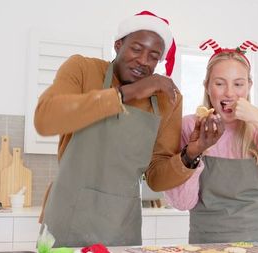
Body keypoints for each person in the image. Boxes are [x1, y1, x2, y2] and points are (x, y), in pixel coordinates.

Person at [34, 11, 197, 247]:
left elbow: (156, 179)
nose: (143, 60)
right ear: (118, 45)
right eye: (136, 48)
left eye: (153, 56)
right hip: (66, 217)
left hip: (121, 227)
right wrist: (128, 93)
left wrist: (192, 153)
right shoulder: (82, 69)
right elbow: (45, 119)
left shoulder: (166, 99)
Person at [164, 39, 258, 243]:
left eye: (238, 84)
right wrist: (194, 151)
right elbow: (182, 202)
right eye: (220, 83)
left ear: (249, 86)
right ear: (207, 87)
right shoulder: (188, 127)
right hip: (206, 243)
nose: (229, 93)